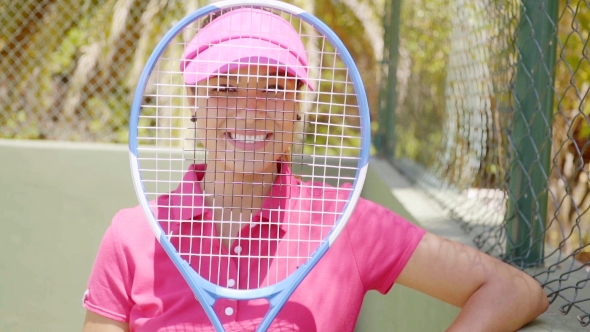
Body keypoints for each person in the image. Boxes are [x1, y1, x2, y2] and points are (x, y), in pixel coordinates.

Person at [82, 8, 548, 332]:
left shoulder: (349, 222)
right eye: (225, 88)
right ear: (194, 104)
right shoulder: (133, 235)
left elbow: (514, 290)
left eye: (273, 87)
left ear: (298, 107)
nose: (249, 110)